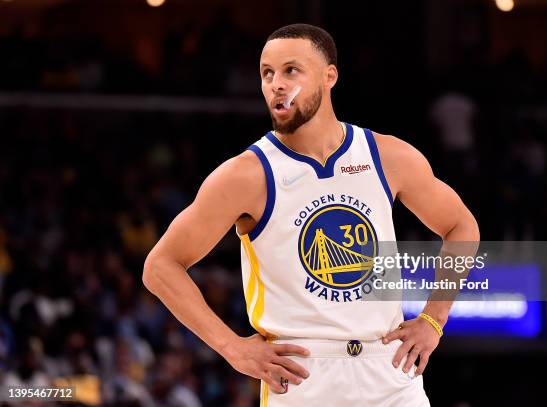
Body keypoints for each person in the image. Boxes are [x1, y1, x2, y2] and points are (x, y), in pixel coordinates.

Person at [143, 23, 479, 406]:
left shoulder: (387, 156)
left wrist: (434, 319)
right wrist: (232, 348)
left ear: (329, 76)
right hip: (303, 375)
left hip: (390, 368)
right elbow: (160, 267)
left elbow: (461, 225)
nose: (276, 84)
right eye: (267, 73)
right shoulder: (245, 174)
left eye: (291, 70)